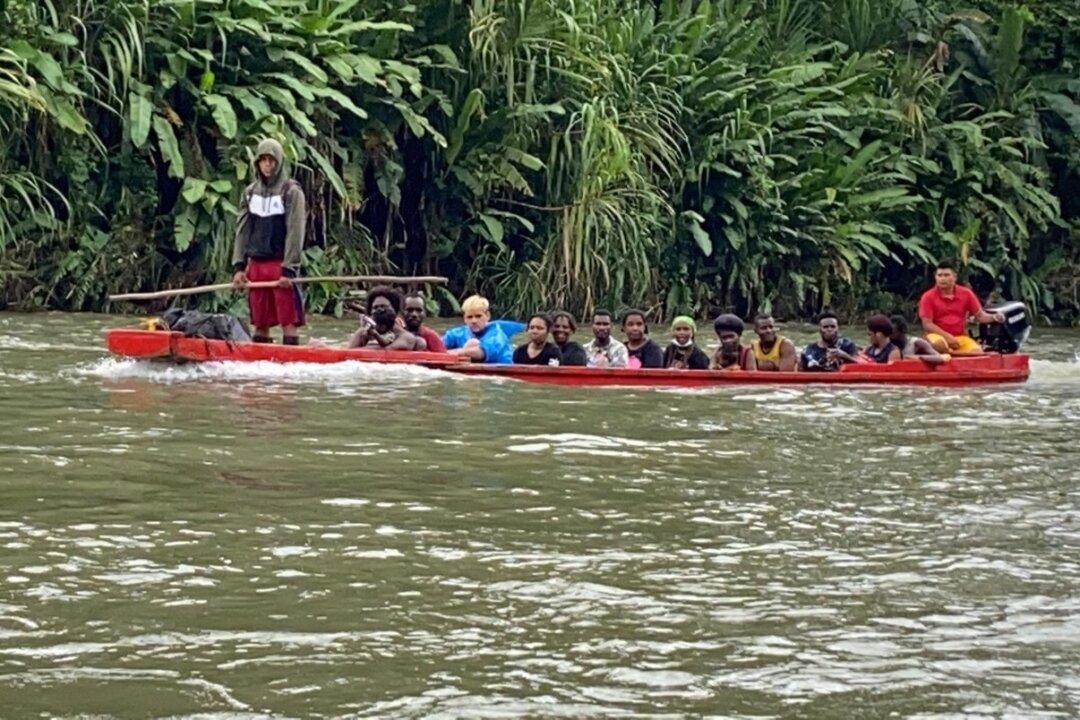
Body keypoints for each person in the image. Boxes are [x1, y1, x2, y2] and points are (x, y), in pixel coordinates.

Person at [231, 138, 306, 345]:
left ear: (279, 162)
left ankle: (290, 363)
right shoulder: (249, 193)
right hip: (256, 264)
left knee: (287, 318)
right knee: (260, 320)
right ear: (257, 163)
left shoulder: (291, 191)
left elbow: (295, 231)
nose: (267, 165)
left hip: (280, 263)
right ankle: (260, 366)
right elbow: (242, 230)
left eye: (271, 160)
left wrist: (289, 269)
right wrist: (239, 266)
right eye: (263, 160)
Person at [918, 260, 1005, 355]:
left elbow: (980, 316)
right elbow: (927, 324)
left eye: (946, 275)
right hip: (936, 336)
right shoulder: (927, 297)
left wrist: (994, 317)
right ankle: (955, 353)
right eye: (939, 275)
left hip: (959, 337)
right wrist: (947, 336)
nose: (942, 279)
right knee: (940, 346)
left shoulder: (966, 293)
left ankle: (954, 353)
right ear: (935, 277)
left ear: (955, 277)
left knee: (977, 351)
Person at [348, 286, 426, 350]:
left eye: (384, 306)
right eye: (375, 307)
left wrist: (375, 336)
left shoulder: (406, 337)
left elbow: (386, 351)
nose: (380, 310)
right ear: (370, 312)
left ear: (394, 311)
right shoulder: (362, 333)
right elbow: (348, 354)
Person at [443, 294, 513, 364]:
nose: (474, 321)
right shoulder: (456, 333)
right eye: (469, 317)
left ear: (488, 316)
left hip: (501, 370)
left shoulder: (497, 335)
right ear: (464, 319)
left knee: (473, 343)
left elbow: (481, 352)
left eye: (478, 316)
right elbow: (438, 345)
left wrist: (449, 353)